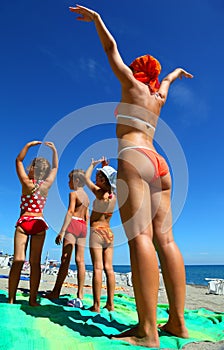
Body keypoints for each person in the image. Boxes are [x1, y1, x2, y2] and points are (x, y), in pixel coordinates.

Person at [69, 5, 193, 348]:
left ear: (138, 73)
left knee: (140, 238)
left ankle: (147, 330)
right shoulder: (157, 96)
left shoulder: (133, 87)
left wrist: (98, 20)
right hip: (160, 162)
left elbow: (111, 51)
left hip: (134, 157)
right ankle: (178, 324)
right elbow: (166, 81)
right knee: (166, 240)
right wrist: (175, 73)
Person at [8, 140, 58, 306]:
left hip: (24, 221)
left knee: (18, 261)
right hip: (38, 222)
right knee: (35, 263)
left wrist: (28, 146)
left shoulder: (26, 184)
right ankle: (32, 300)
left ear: (32, 169)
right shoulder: (46, 186)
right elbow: (56, 168)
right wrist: (54, 151)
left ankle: (11, 298)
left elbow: (18, 160)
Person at [45, 169, 90, 306]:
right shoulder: (87, 198)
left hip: (74, 223)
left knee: (65, 260)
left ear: (76, 181)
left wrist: (62, 231)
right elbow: (87, 216)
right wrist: (85, 229)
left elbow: (70, 211)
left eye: (70, 180)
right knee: (80, 261)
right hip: (83, 226)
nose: (68, 183)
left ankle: (56, 291)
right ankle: (80, 293)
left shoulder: (73, 194)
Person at [85, 157, 117, 312]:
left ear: (104, 181)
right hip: (109, 233)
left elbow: (85, 178)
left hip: (97, 231)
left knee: (98, 268)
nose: (95, 178)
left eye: (99, 177)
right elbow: (111, 183)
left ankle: (96, 305)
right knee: (109, 269)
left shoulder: (99, 193)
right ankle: (110, 304)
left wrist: (93, 165)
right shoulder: (113, 196)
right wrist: (105, 168)